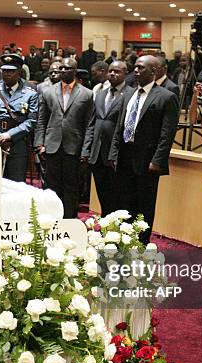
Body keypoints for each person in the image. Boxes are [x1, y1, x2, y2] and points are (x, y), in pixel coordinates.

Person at [108, 55, 179, 243]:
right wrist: (114, 153)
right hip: (124, 157)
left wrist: (157, 160)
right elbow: (119, 127)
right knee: (124, 203)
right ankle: (124, 242)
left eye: (141, 68)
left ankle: (140, 245)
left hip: (147, 161)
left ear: (154, 71)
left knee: (144, 206)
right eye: (136, 67)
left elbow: (167, 134)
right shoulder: (128, 94)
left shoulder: (166, 96)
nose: (136, 71)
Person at [35, 57, 94, 218]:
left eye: (66, 68)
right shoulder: (48, 92)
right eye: (60, 68)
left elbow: (89, 125)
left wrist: (85, 150)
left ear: (74, 71)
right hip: (51, 146)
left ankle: (69, 220)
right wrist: (39, 144)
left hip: (74, 147)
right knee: (52, 187)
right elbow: (42, 120)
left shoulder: (87, 94)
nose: (62, 71)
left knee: (71, 187)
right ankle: (52, 219)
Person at [83, 60, 134, 216]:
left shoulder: (131, 94)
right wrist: (86, 149)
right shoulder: (100, 94)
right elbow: (91, 124)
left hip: (116, 154)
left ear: (125, 74)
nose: (112, 74)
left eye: (117, 71)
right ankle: (106, 224)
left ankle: (117, 230)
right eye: (110, 71)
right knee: (102, 195)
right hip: (97, 154)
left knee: (117, 196)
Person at [0, 54, 38, 182]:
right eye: (5, 71)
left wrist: (9, 135)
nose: (7, 74)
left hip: (17, 143)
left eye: (11, 71)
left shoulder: (30, 92)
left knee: (16, 184)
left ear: (19, 72)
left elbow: (32, 120)